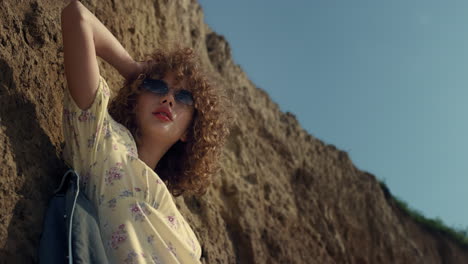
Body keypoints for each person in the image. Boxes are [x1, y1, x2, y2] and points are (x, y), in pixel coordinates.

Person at [60, 1, 230, 263]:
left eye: (183, 96)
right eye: (157, 87)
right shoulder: (103, 141)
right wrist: (135, 71)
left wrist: (152, 84)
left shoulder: (189, 238)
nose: (169, 99)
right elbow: (77, 17)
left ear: (189, 131)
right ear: (135, 99)